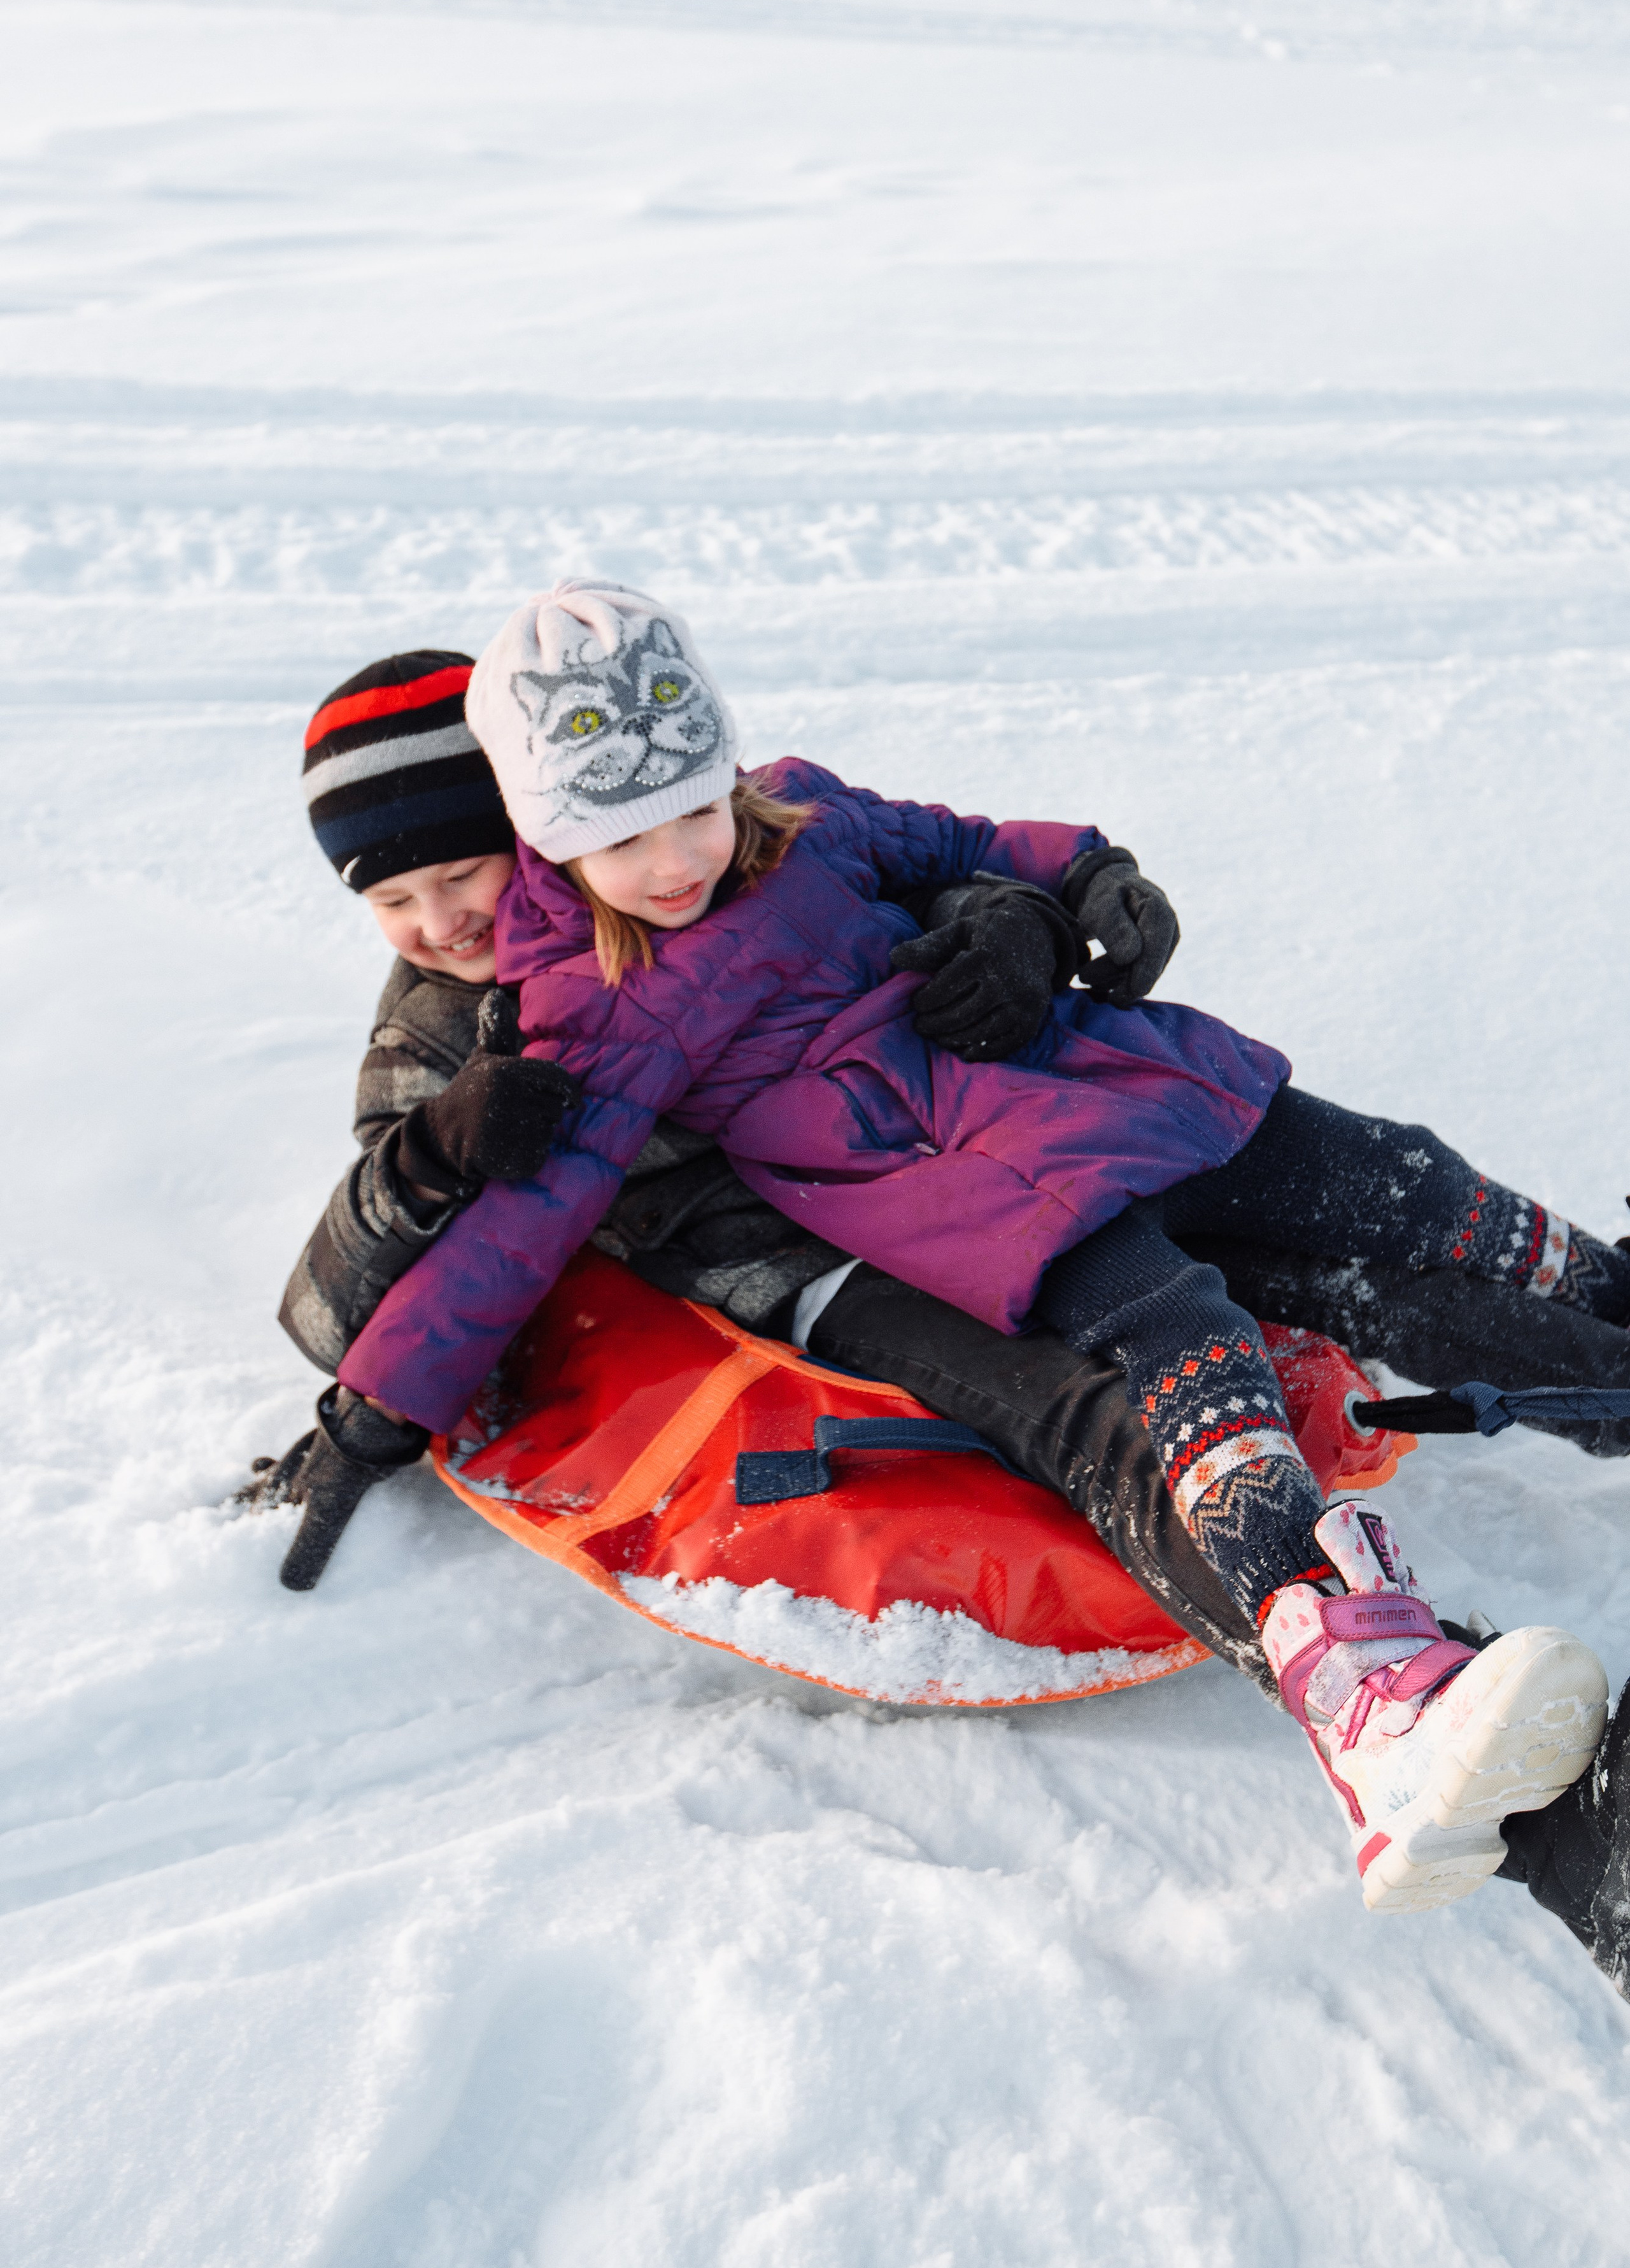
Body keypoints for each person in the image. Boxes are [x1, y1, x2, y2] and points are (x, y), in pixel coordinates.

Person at [294, 579, 1630, 1941]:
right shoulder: (515, 1017)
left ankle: (1609, 1338)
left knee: (1387, 1201)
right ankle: (1387, 1705)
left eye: (452, 875)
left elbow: (948, 846)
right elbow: (441, 1259)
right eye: (391, 898)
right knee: (1155, 1371)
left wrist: (1046, 904)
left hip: (1063, 1104)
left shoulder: (773, 822)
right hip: (901, 1234)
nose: (437, 921)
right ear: (555, 836)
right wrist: (382, 1358)